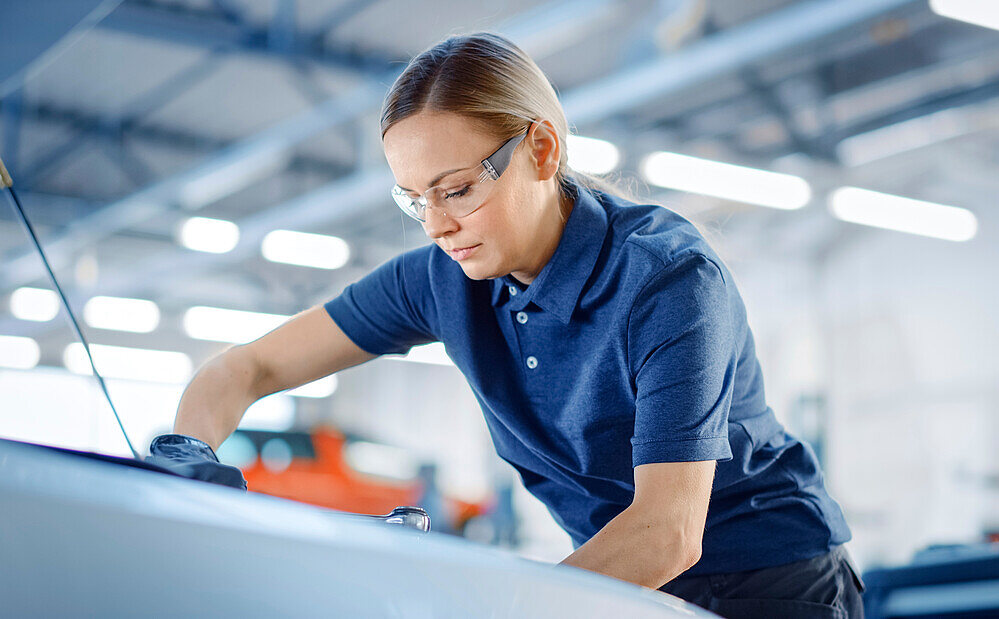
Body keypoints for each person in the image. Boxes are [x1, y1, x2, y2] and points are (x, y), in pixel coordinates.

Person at [147, 32, 864, 618]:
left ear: (543, 150)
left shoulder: (667, 282)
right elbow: (245, 368)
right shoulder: (439, 279)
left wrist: (503, 602)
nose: (437, 225)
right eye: (415, 199)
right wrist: (185, 460)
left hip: (773, 580)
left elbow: (668, 531)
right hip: (622, 579)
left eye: (456, 189)